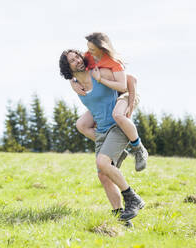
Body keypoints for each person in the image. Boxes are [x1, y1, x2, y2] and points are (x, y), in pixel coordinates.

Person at [59, 49, 145, 223]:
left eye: (78, 57)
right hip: (102, 131)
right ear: (68, 68)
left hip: (117, 126)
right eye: (72, 61)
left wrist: (130, 105)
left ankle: (132, 197)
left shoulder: (99, 72)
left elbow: (128, 79)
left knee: (102, 162)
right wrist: (71, 81)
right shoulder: (76, 84)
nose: (78, 61)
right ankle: (121, 217)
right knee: (103, 175)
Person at [69, 32, 148, 171]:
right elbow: (76, 70)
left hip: (126, 93)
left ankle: (139, 149)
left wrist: (100, 80)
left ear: (102, 48)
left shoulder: (113, 62)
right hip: (109, 97)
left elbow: (125, 84)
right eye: (88, 49)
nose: (88, 53)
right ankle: (113, 149)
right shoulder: (89, 57)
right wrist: (72, 82)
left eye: (92, 49)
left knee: (117, 115)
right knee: (81, 124)